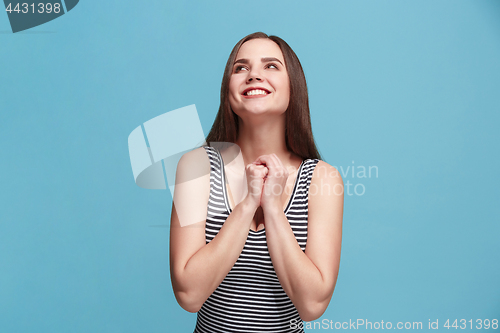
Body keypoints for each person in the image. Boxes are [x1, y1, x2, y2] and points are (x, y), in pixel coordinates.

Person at [169, 32, 344, 332]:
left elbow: (312, 305)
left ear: (294, 88)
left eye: (271, 66)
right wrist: (248, 203)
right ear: (228, 90)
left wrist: (274, 209)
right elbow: (189, 294)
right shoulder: (196, 167)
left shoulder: (322, 178)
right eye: (241, 68)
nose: (253, 76)